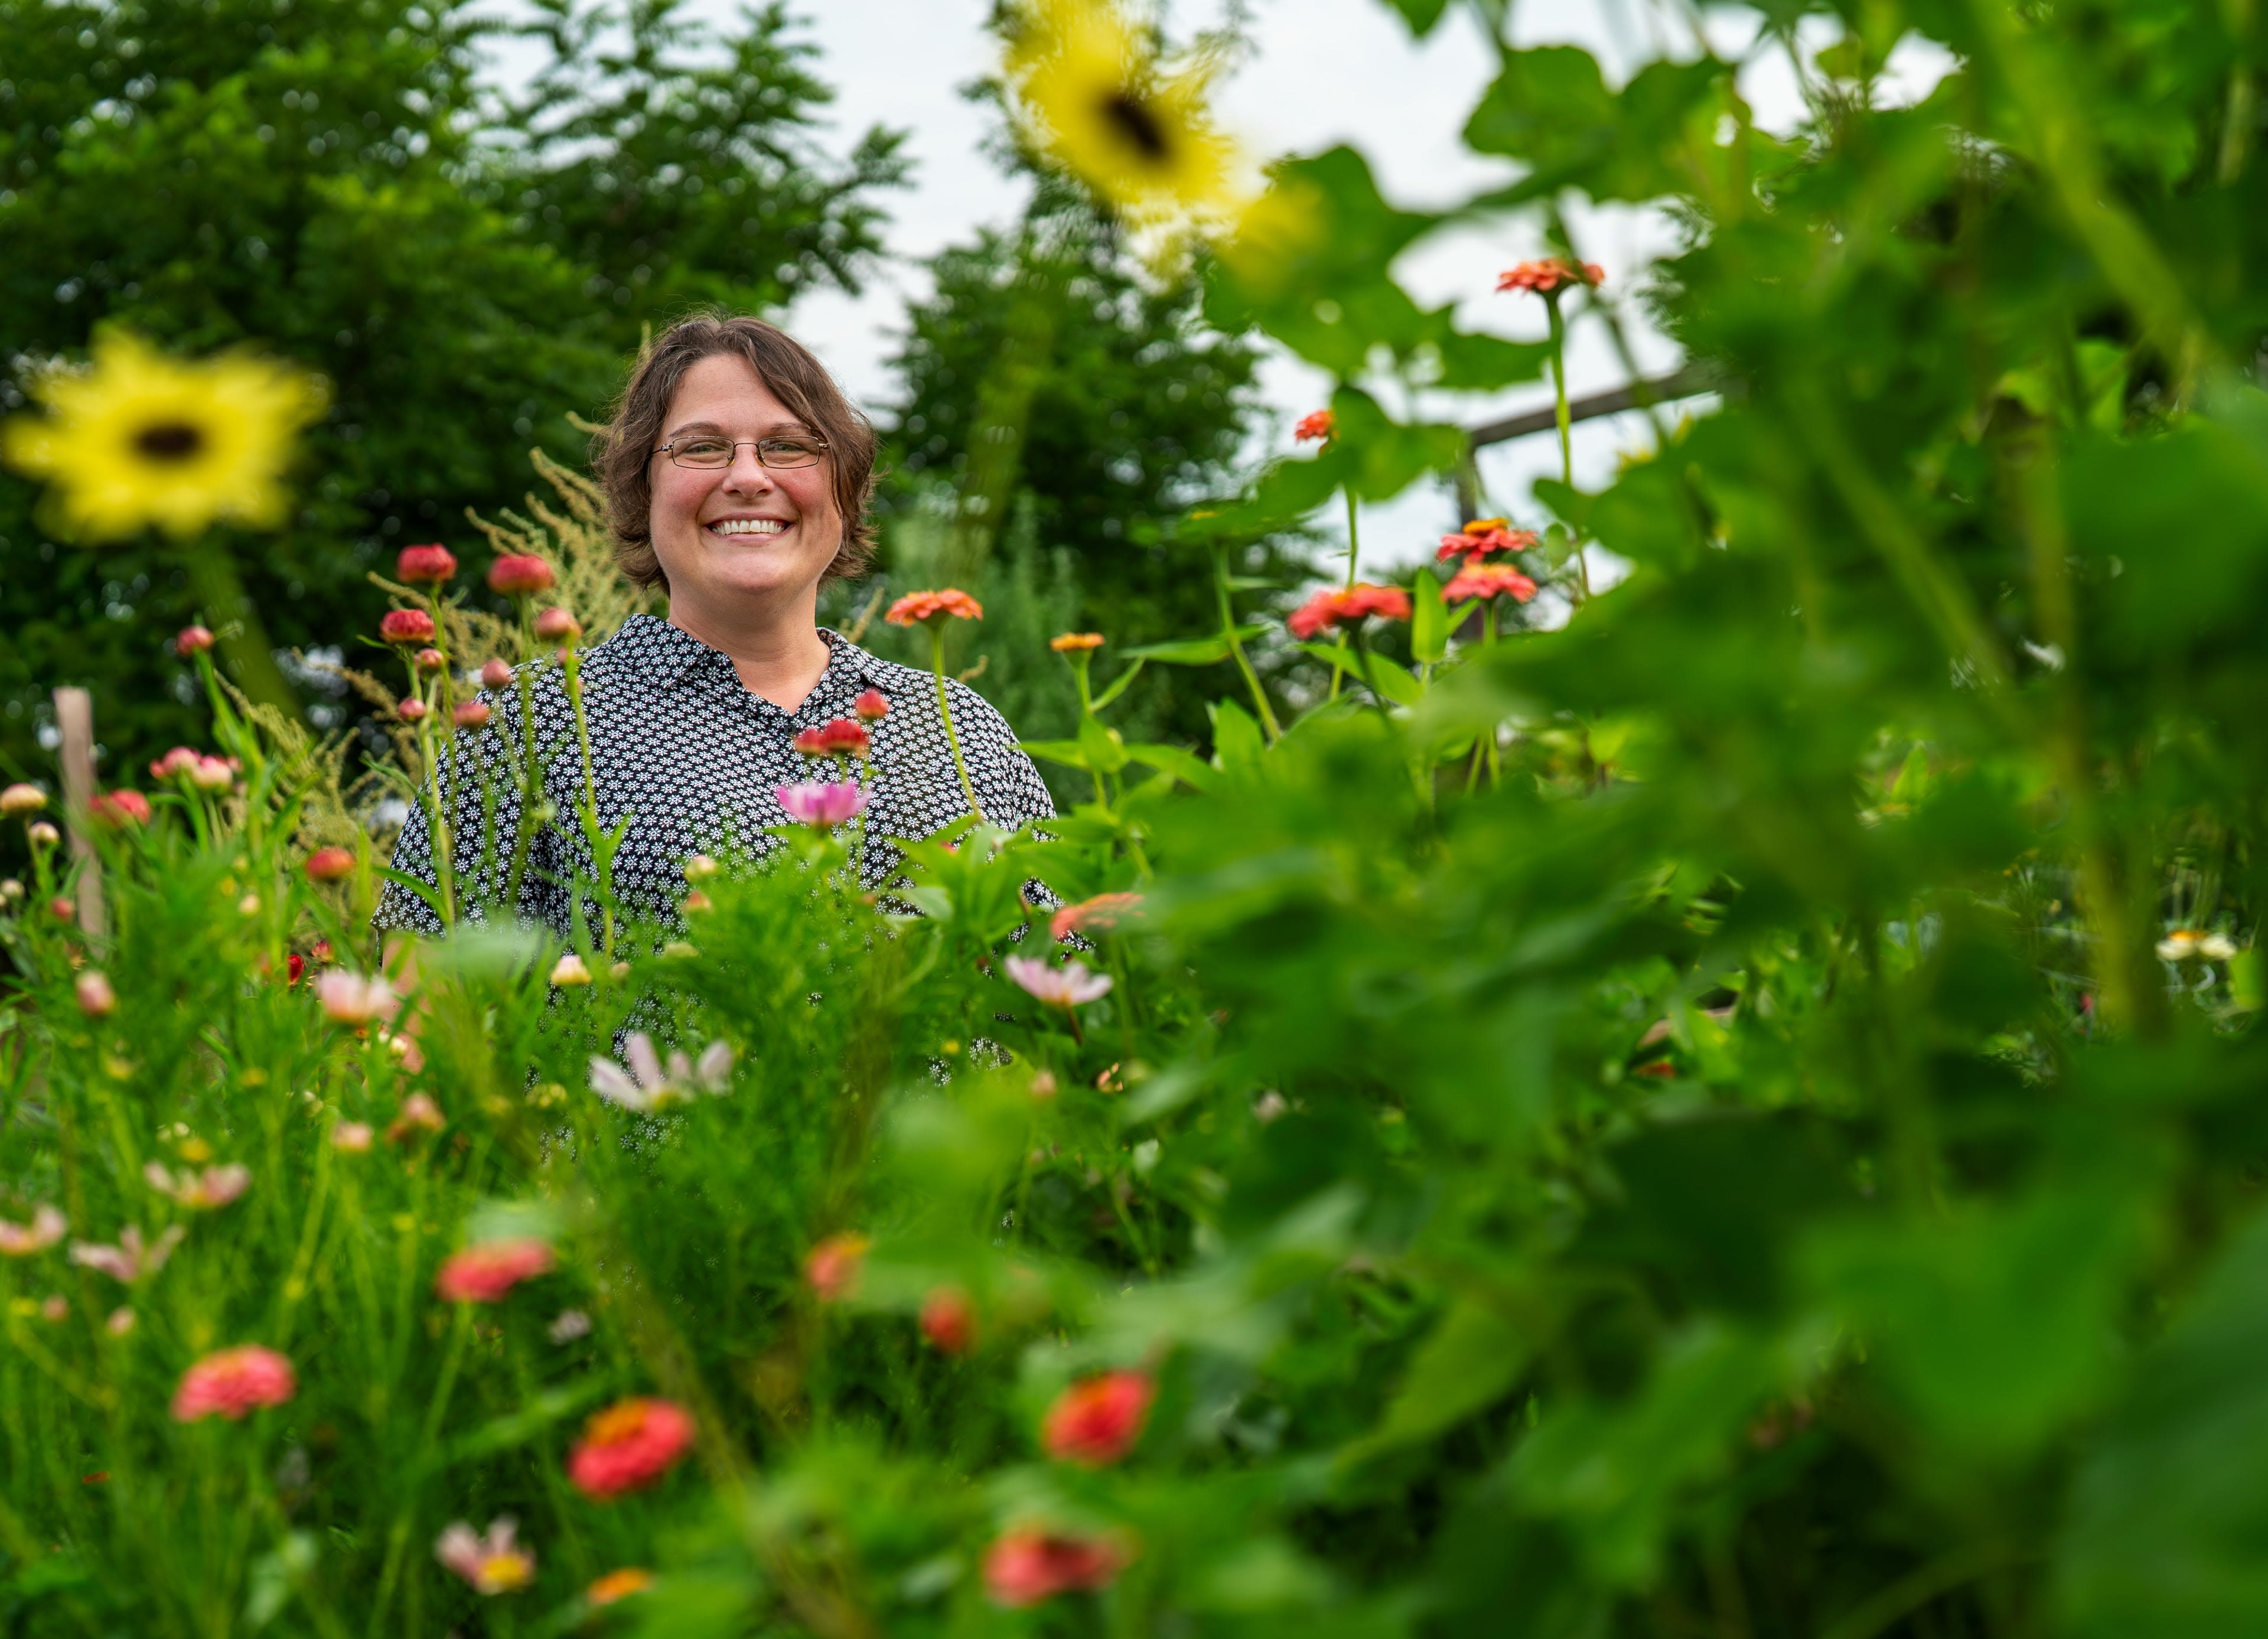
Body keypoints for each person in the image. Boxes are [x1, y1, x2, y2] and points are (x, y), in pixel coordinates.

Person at [374, 312, 1054, 946]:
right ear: (644, 490)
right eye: (702, 448)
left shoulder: (960, 730)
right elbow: (426, 1018)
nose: (749, 477)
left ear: (844, 489)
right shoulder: (526, 724)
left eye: (789, 446)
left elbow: (1070, 989)